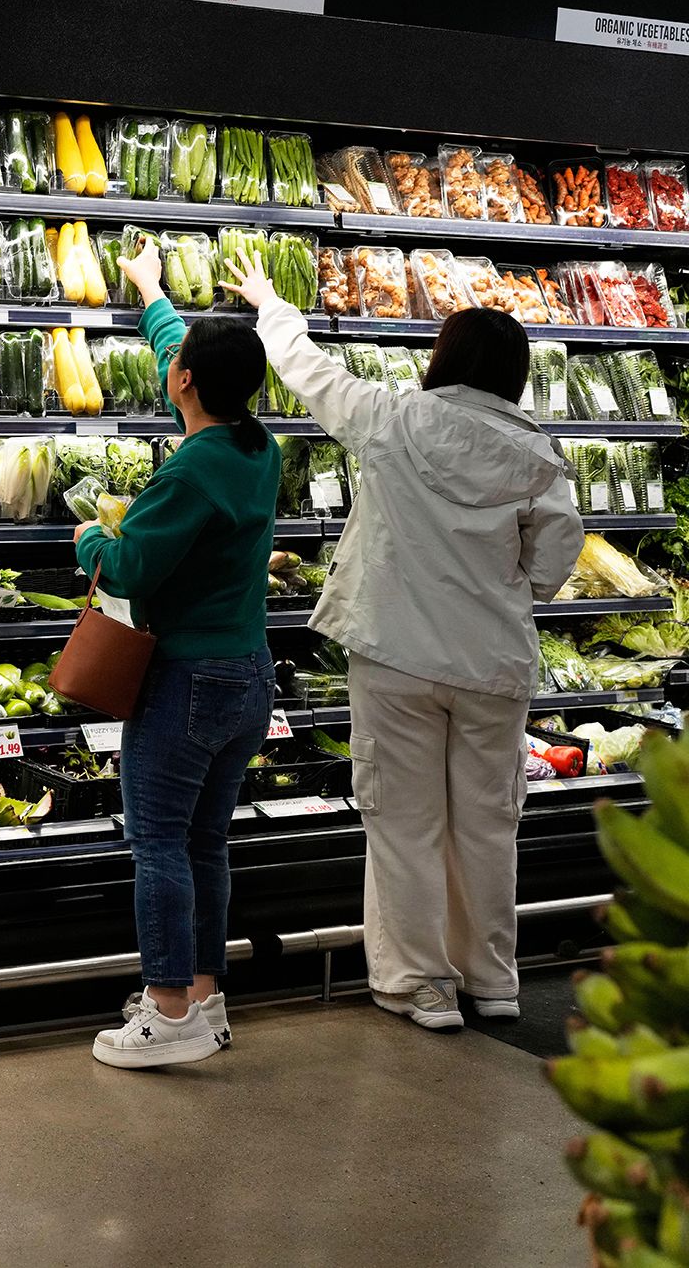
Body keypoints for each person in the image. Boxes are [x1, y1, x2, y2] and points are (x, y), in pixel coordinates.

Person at [223, 252, 584, 1032]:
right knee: (488, 825)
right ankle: (493, 980)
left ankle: (423, 984)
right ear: (515, 375)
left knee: (404, 821)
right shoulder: (538, 456)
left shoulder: (395, 418)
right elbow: (553, 567)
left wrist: (268, 303)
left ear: (442, 359)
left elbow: (310, 374)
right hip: (493, 667)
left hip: (396, 655)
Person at [79, 240, 282, 1070]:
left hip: (188, 680)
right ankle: (204, 997)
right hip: (248, 676)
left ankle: (164, 1013)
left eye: (179, 366)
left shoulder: (191, 473)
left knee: (158, 841)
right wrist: (152, 295)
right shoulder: (252, 447)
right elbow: (183, 362)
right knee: (206, 843)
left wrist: (92, 532)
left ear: (186, 385)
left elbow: (127, 565)